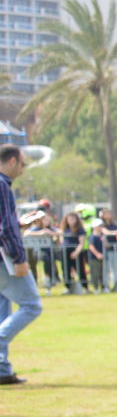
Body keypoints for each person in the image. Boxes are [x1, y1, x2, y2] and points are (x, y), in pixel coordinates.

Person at [0, 145, 42, 386]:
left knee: (2, 309)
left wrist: (21, 226)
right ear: (13, 161)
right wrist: (20, 259)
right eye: (23, 164)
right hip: (4, 259)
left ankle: (2, 369)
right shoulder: (2, 185)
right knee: (31, 305)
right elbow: (5, 229)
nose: (23, 169)